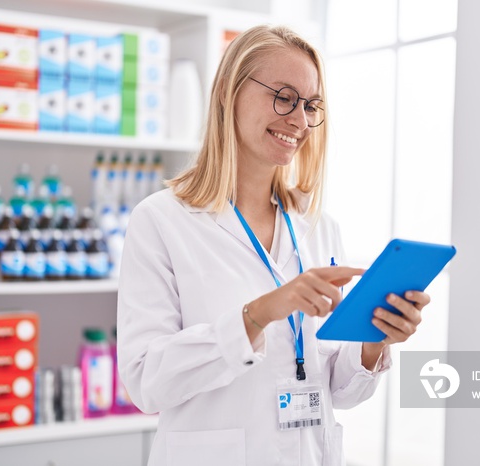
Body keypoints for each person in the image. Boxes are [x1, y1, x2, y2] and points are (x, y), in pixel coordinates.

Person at [117, 25, 430, 466]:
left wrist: (374, 340)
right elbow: (146, 383)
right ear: (228, 91)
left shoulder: (319, 228)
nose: (300, 122)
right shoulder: (161, 221)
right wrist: (259, 313)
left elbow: (334, 390)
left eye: (311, 106)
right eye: (283, 97)